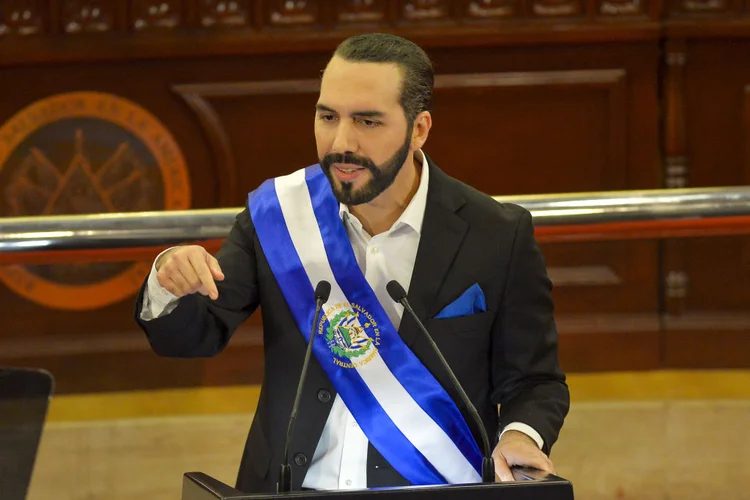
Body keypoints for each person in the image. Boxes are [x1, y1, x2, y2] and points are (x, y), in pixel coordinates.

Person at [135, 32, 570, 493]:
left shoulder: (496, 233)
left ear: (419, 129)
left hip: (436, 485)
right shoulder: (281, 214)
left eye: (367, 121)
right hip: (290, 486)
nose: (341, 142)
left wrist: (521, 435)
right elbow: (191, 338)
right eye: (328, 117)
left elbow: (535, 381)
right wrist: (168, 281)